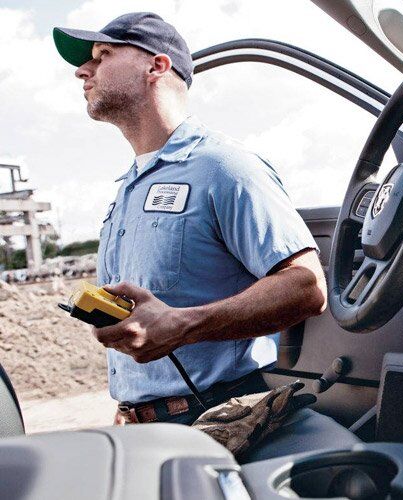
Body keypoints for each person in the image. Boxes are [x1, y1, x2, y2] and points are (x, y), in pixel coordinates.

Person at [53, 12, 326, 425]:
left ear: (156, 66)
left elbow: (306, 287)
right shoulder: (129, 186)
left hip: (215, 417)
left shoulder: (224, 167)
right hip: (141, 423)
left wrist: (184, 325)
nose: (82, 71)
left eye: (103, 55)